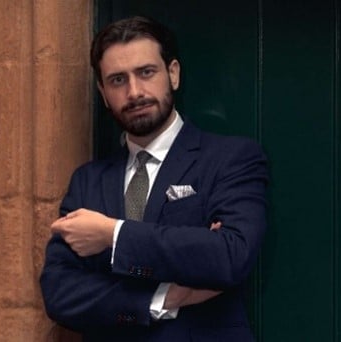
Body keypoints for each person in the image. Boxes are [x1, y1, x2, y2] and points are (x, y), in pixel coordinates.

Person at [40, 16, 268, 341]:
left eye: (146, 73)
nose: (134, 92)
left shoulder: (230, 159)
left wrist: (113, 235)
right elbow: (60, 295)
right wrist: (158, 300)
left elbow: (229, 257)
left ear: (172, 74)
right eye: (118, 80)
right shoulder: (88, 182)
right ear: (103, 93)